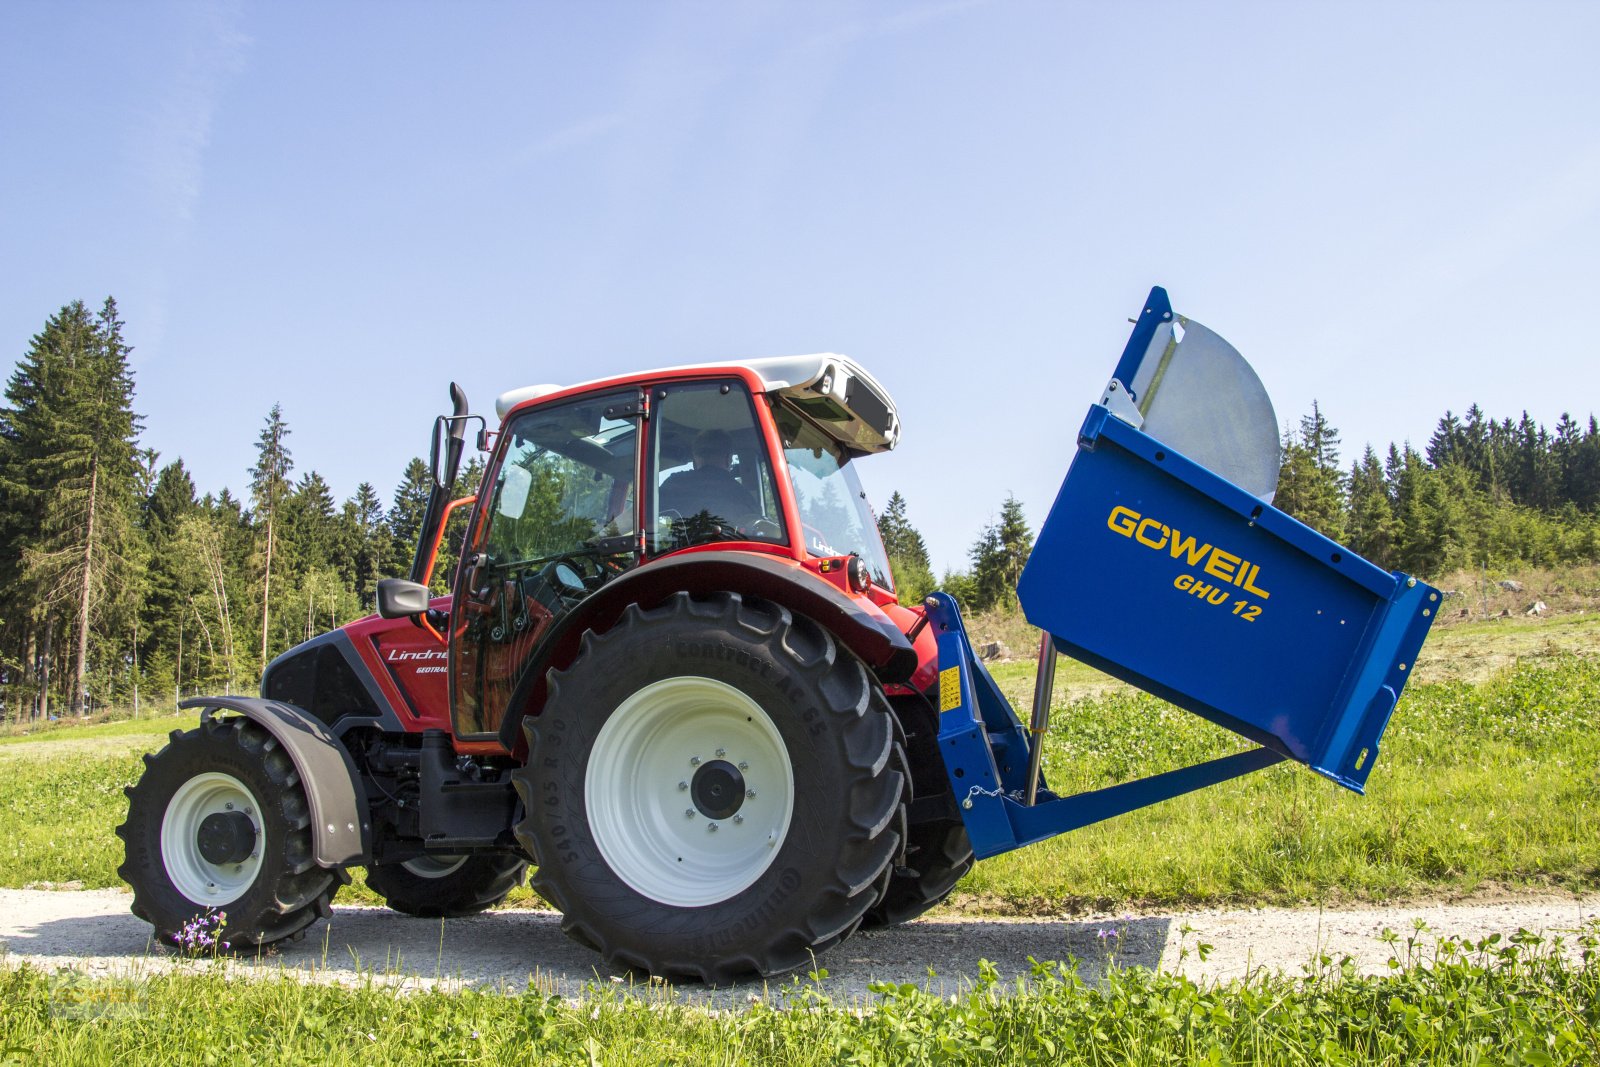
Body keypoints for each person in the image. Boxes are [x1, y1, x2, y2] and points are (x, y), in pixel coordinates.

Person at [659, 429, 757, 524]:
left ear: (694, 458)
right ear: (728, 458)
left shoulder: (674, 484)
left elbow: (648, 517)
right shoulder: (743, 496)